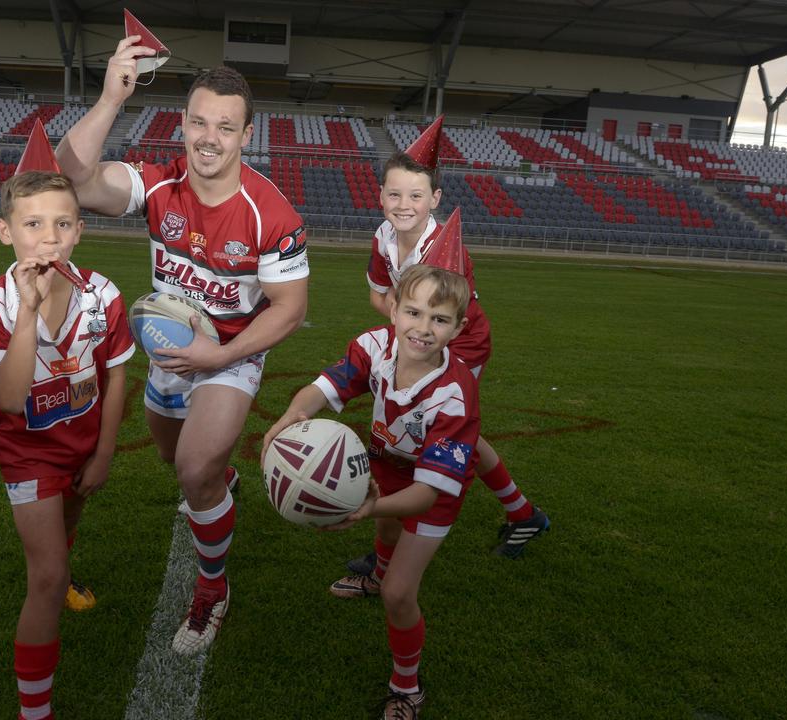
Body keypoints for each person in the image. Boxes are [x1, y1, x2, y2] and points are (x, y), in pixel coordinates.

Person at [55, 36, 310, 655]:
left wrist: (221, 357)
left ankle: (213, 592)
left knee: (195, 470)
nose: (208, 137)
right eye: (198, 121)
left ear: (246, 135)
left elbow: (291, 308)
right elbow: (70, 179)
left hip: (231, 352)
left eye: (225, 127)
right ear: (184, 124)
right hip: (169, 350)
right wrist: (113, 97)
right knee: (180, 464)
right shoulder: (159, 183)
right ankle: (221, 486)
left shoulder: (271, 214)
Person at [262, 263, 479, 719]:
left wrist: (365, 507)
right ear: (393, 309)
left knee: (401, 593)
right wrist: (289, 418)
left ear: (459, 326)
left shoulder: (456, 392)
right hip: (385, 463)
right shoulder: (374, 346)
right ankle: (376, 576)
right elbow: (323, 389)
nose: (423, 328)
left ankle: (407, 687)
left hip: (433, 488)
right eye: (413, 312)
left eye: (439, 319)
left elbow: (425, 495)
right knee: (386, 528)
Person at [0, 170, 134, 720]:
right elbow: (10, 398)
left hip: (84, 444)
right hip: (28, 452)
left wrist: (104, 453)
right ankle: (34, 712)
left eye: (62, 223)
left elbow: (118, 378)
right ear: (5, 231)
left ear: (80, 230)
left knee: (70, 517)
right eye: (33, 223)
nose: (49, 237)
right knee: (48, 574)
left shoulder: (102, 294)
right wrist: (30, 311)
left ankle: (62, 559)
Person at [345, 120, 548, 575]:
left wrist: (411, 327)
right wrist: (402, 321)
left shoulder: (443, 249)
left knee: (435, 431)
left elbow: (448, 321)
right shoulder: (382, 235)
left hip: (461, 342)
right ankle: (521, 513)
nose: (403, 205)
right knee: (455, 435)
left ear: (434, 200)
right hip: (419, 336)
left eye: (416, 196)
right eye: (394, 195)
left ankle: (401, 541)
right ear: (380, 196)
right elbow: (380, 295)